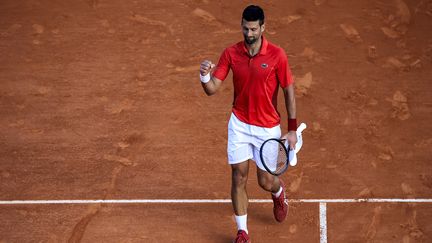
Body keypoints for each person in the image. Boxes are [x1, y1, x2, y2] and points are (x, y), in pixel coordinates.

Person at [199, 5, 297, 243]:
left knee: (265, 181)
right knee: (238, 176)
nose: (249, 33)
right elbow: (212, 89)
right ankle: (242, 232)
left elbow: (288, 91)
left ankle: (278, 191)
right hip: (240, 124)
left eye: (253, 29)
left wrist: (292, 128)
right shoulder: (231, 53)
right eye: (245, 28)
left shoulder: (277, 55)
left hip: (267, 128)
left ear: (263, 27)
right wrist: (203, 76)